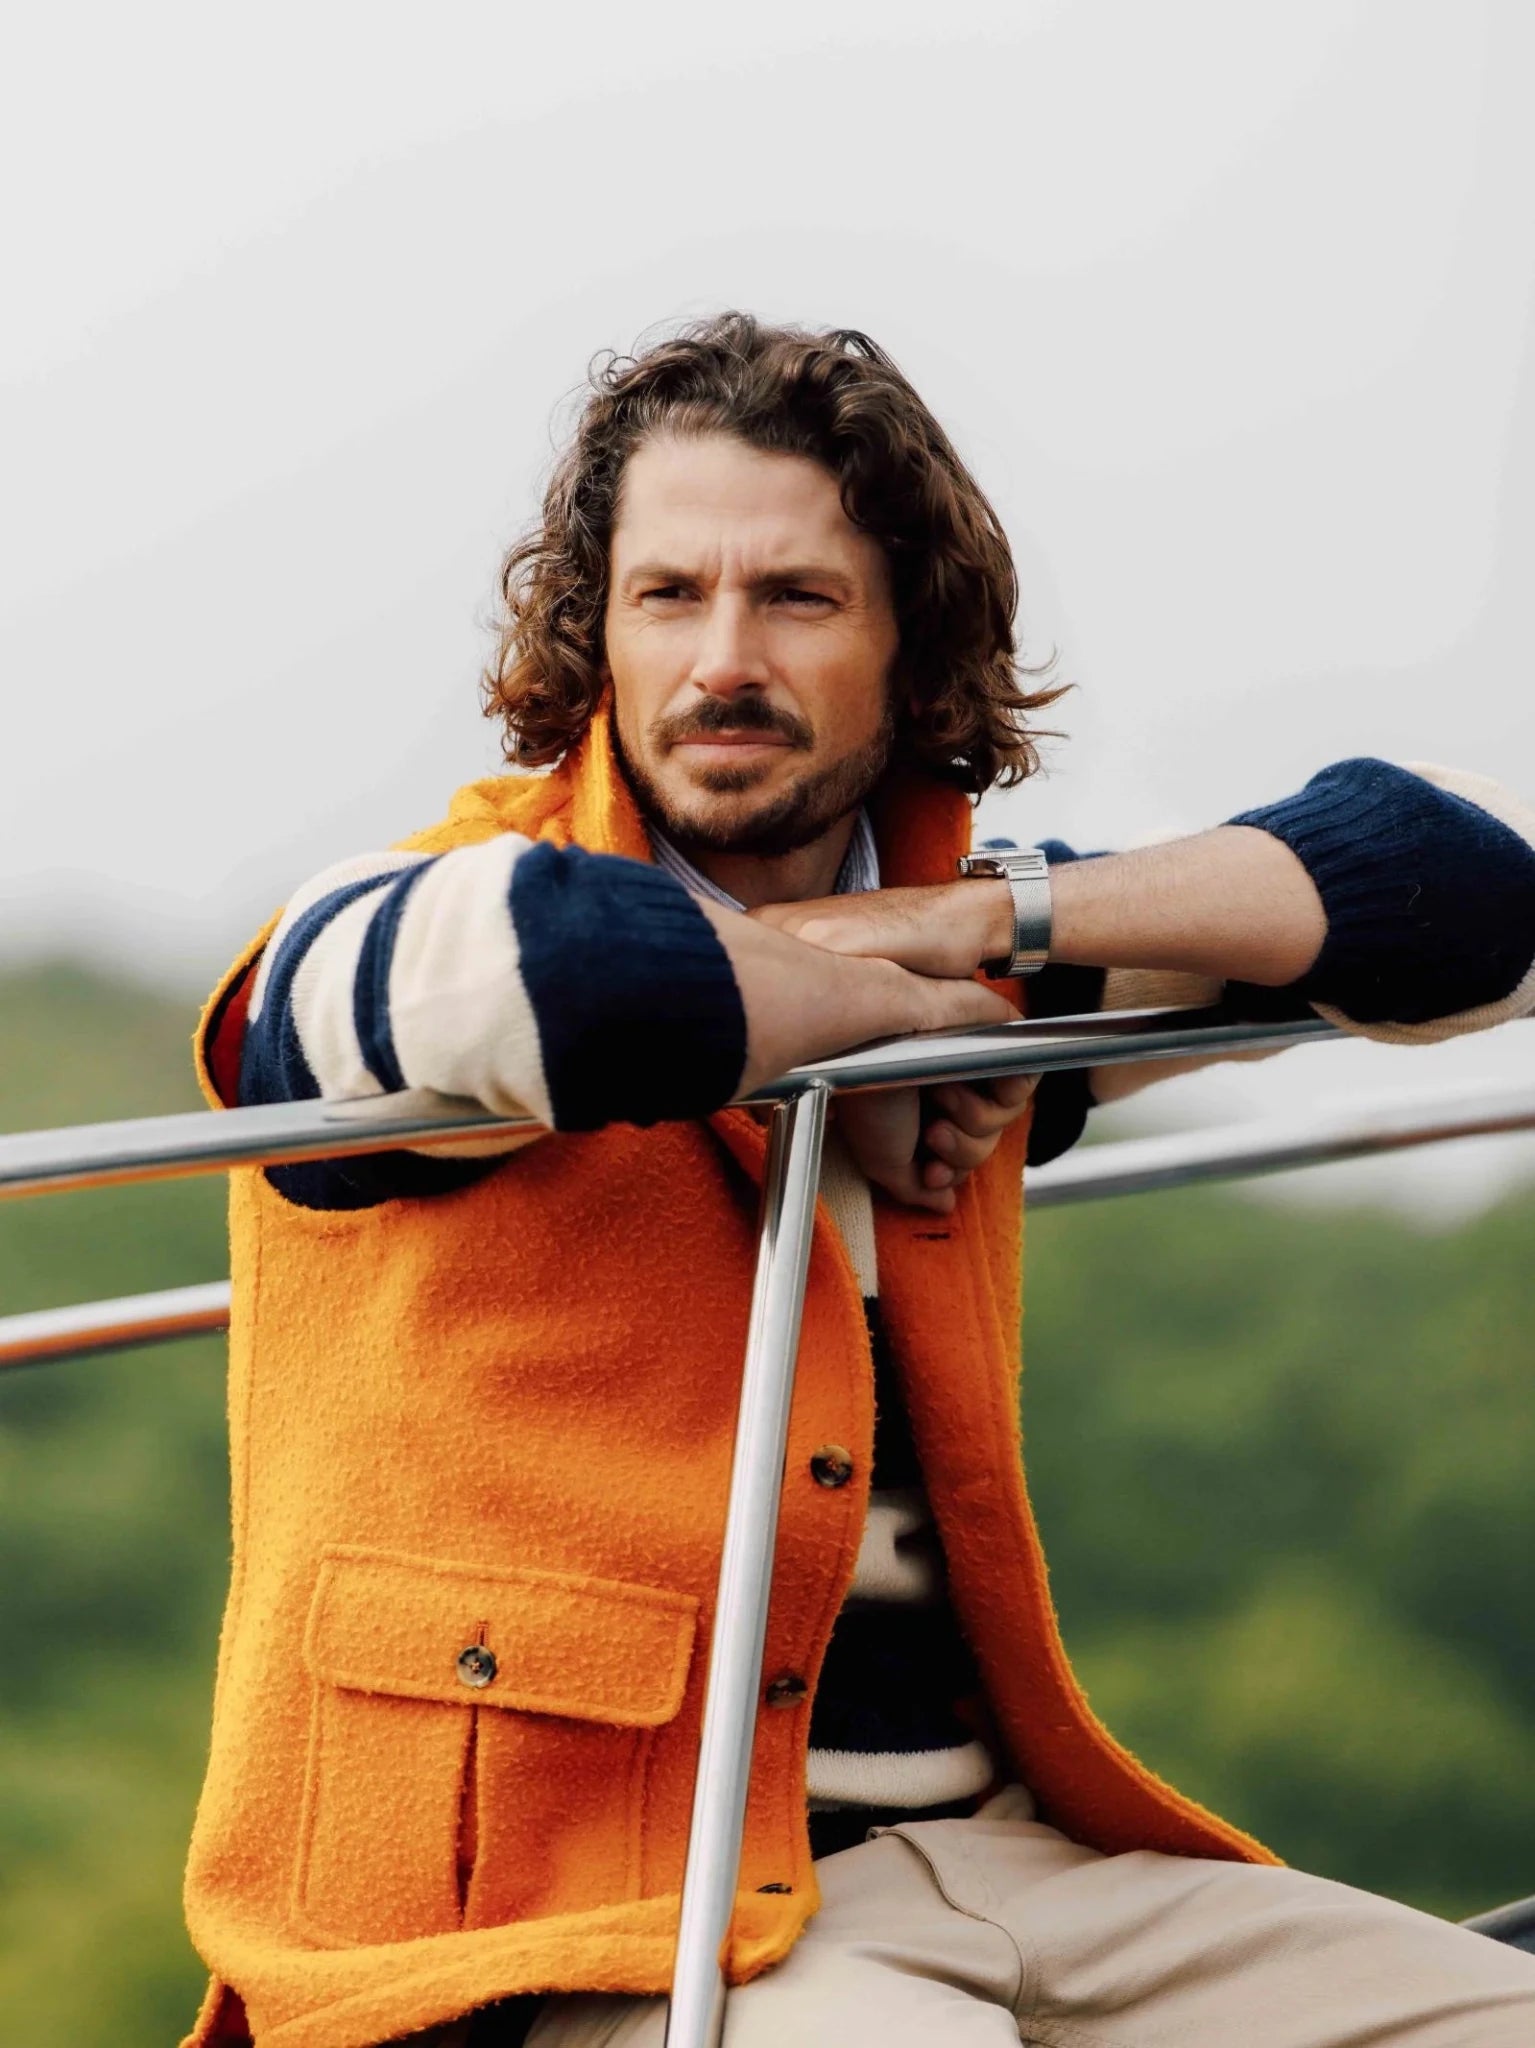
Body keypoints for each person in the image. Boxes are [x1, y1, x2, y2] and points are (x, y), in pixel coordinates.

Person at [182, 316, 1535, 2048]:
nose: (720, 661)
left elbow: (1481, 892)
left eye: (797, 599)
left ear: (912, 646)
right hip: (577, 1912)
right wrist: (857, 1024)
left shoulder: (976, 962)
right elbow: (565, 988)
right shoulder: (424, 904)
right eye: (668, 596)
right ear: (596, 631)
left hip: (1013, 1859)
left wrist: (972, 938)